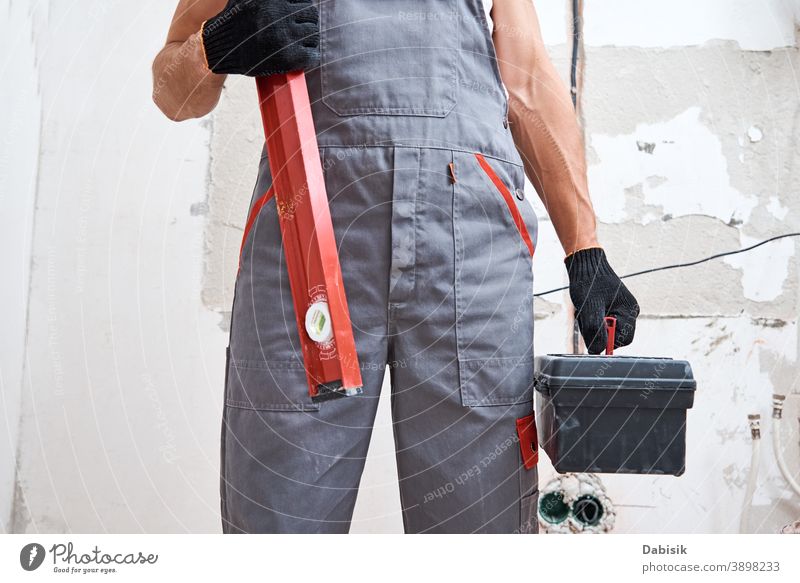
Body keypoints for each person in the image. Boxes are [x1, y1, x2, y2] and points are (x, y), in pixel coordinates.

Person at [152, 0, 639, 533]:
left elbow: (527, 86)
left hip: (468, 255)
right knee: (278, 518)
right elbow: (172, 94)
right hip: (303, 247)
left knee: (480, 525)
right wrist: (215, 46)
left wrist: (585, 247)